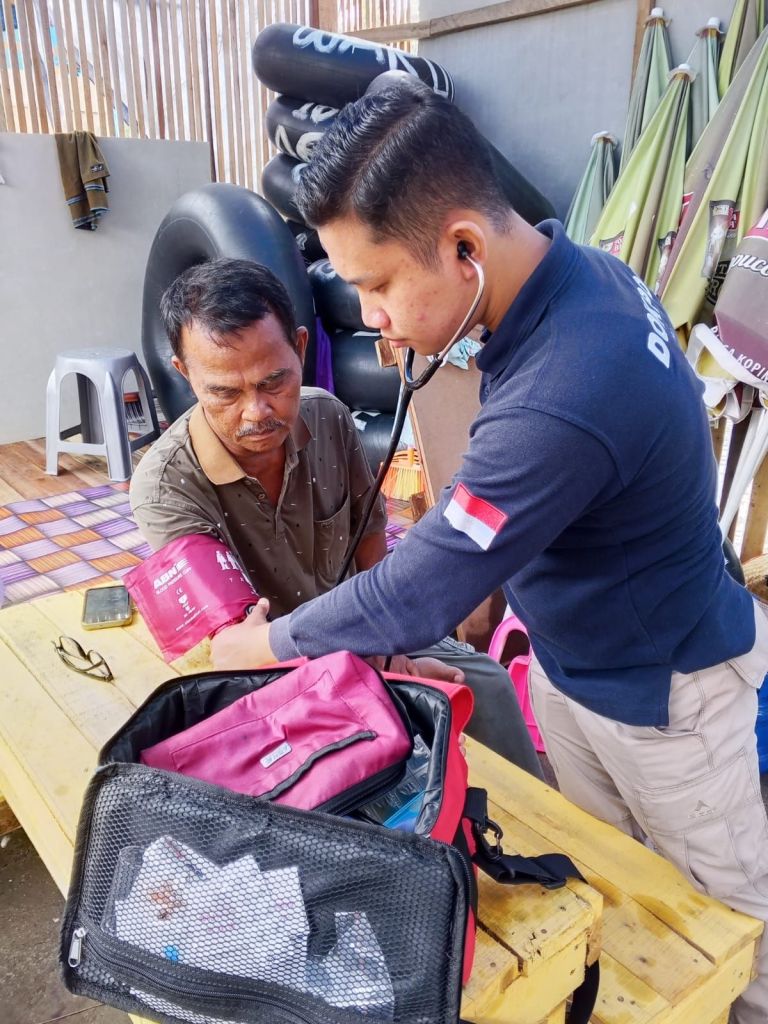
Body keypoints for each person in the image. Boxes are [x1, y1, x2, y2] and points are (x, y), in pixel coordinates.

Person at [210, 84, 768, 1024]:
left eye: (379, 284)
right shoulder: (577, 275)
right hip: (583, 663)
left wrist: (258, 646)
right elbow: (528, 501)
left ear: (465, 247)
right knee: (621, 893)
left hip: (664, 695)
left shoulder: (570, 381)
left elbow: (414, 592)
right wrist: (498, 583)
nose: (372, 317)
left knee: (731, 930)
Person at [129, 257, 542, 775]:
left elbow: (371, 545)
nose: (257, 412)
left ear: (301, 349)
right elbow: (236, 650)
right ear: (185, 374)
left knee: (488, 687)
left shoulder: (328, 416)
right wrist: (385, 671)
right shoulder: (165, 487)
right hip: (270, 675)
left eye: (274, 382)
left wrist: (393, 651)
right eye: (225, 393)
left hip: (363, 629)